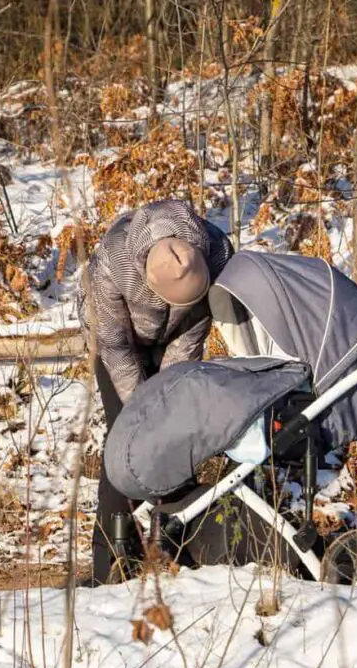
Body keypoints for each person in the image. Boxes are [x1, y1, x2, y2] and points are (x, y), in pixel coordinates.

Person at [75, 199, 234, 586]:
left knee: (175, 434)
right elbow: (114, 345)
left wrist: (168, 401)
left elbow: (193, 331)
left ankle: (176, 544)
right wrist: (143, 410)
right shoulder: (114, 261)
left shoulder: (216, 252)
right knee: (124, 439)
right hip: (115, 342)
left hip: (174, 339)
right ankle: (109, 558)